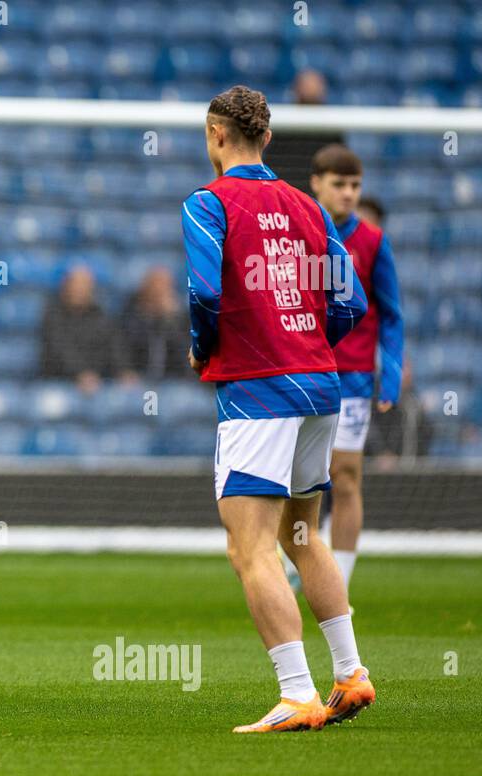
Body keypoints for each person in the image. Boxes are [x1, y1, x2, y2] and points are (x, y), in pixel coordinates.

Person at [183, 85, 371, 733]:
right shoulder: (306, 206)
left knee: (250, 547)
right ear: (265, 137)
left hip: (259, 391)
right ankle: (350, 674)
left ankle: (297, 693)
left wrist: (203, 353)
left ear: (216, 135)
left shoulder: (208, 205)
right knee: (301, 535)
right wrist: (307, 344)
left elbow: (206, 295)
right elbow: (351, 303)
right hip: (321, 386)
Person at [309, 145, 403, 593]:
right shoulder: (297, 234)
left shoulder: (373, 241)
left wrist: (394, 369)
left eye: (355, 186)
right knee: (300, 478)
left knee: (345, 475)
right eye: (339, 184)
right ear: (317, 183)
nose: (348, 193)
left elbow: (391, 312)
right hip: (302, 370)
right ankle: (301, 557)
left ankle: (337, 584)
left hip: (354, 378)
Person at [37, 265, 116, 393]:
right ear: (66, 287)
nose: (79, 290)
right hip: (59, 382)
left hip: (96, 381)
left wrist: (123, 370)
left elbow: (112, 346)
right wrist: (80, 373)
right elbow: (59, 349)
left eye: (84, 286)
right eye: (75, 285)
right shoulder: (52, 315)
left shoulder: (100, 316)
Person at [263, 69, 345, 192]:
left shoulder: (332, 129)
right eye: (306, 85)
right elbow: (273, 163)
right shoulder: (283, 127)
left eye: (314, 86)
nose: (310, 90)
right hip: (288, 192)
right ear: (296, 90)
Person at [116, 266, 189, 382]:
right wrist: (126, 370)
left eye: (166, 286)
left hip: (172, 380)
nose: (160, 290)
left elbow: (185, 358)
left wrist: (171, 320)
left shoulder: (181, 318)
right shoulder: (130, 314)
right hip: (138, 377)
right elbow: (122, 348)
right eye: (156, 285)